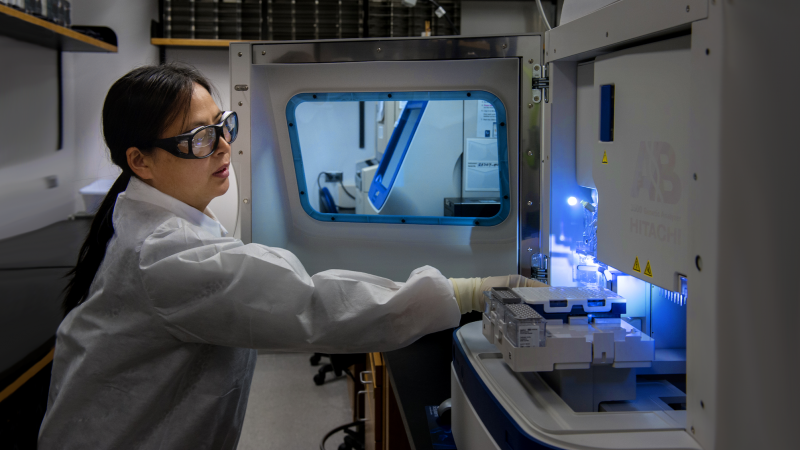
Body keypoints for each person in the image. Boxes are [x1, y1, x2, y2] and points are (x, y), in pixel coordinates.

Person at [37, 63, 544, 449]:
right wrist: (472, 291)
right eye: (198, 138)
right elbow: (311, 306)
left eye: (223, 125)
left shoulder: (155, 220)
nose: (222, 148)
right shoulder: (165, 256)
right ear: (140, 161)